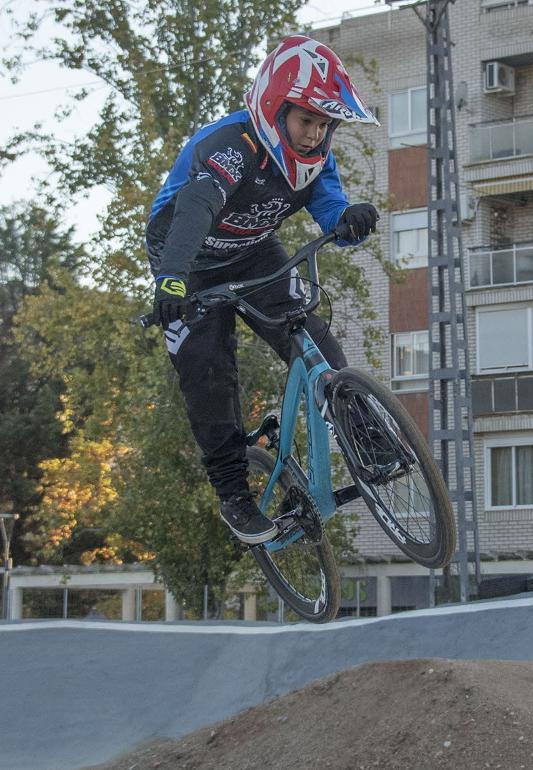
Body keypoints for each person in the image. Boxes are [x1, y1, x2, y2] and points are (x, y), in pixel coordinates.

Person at [145, 35, 380, 545]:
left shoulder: (316, 157)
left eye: (324, 124)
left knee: (309, 333)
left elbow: (329, 209)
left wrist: (349, 220)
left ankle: (366, 434)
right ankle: (233, 492)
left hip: (251, 250)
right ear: (275, 110)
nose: (314, 135)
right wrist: (172, 279)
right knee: (207, 369)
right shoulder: (232, 145)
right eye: (305, 121)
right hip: (186, 256)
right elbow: (194, 211)